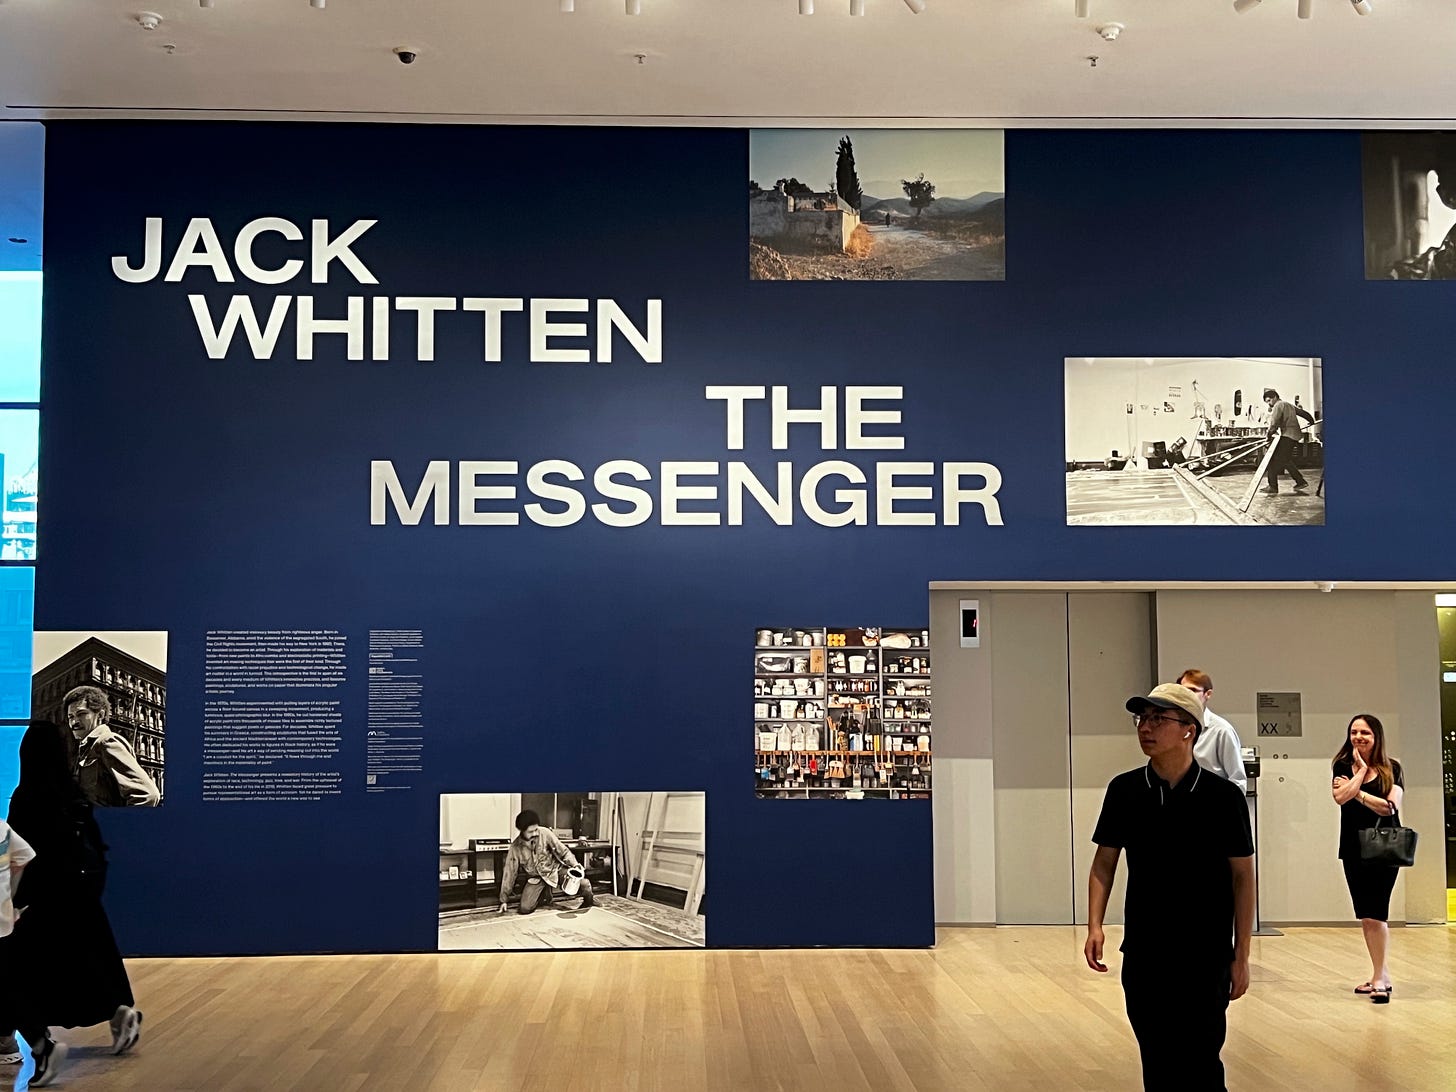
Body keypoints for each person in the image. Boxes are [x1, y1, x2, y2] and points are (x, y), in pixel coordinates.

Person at [1084, 683, 1255, 1091]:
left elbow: (1243, 877)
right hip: (1146, 952)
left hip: (1206, 954)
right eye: (1142, 719)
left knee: (1201, 1060)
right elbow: (1104, 863)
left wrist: (1241, 955)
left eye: (1158, 719)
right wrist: (1095, 925)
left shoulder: (1223, 798)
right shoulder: (1124, 790)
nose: (1146, 727)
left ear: (1189, 730)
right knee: (1157, 1060)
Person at [7, 721, 143, 1061]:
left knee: (21, 965)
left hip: (44, 893)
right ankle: (118, 1011)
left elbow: (19, 852)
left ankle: (23, 1037)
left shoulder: (27, 795)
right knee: (91, 955)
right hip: (81, 888)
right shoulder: (72, 792)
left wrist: (15, 899)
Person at [1330, 713, 1404, 1003]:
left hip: (1385, 847)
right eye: (1354, 732)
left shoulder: (1392, 769)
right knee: (1366, 914)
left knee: (1377, 912)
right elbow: (1338, 798)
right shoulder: (1341, 765)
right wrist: (1359, 774)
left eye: (1365, 733)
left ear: (1376, 738)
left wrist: (1355, 791)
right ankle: (1380, 974)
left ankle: (1379, 979)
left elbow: (1389, 807)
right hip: (1353, 847)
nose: (1359, 737)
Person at [0, 815, 68, 1086]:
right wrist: (10, 900)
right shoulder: (1, 827)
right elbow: (24, 857)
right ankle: (40, 1044)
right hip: (3, 921)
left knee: (6, 991)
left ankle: (42, 1045)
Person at [63, 685, 161, 807]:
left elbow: (147, 795)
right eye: (70, 717)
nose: (74, 722)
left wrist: (119, 825)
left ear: (100, 715)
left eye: (81, 714)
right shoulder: (86, 748)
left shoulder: (106, 742)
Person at [497, 810, 595, 914]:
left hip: (555, 871)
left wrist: (574, 864)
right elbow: (510, 873)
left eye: (536, 829)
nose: (535, 833)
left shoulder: (545, 833)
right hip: (536, 878)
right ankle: (544, 896)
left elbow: (563, 851)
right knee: (525, 908)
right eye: (531, 832)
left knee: (584, 884)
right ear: (522, 831)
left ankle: (590, 901)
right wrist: (504, 900)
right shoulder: (515, 847)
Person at [1177, 669, 1248, 795]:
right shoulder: (1174, 727)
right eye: (1183, 690)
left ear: (1207, 694)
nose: (1186, 695)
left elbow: (1237, 780)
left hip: (1213, 804)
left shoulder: (1221, 730)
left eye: (1192, 690)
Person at [1259, 388, 1316, 496]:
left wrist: (1268, 436)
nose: (1269, 404)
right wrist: (1311, 420)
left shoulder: (1278, 405)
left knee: (1272, 458)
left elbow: (1274, 423)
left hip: (1288, 435)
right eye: (1267, 402)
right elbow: (1302, 413)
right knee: (1285, 459)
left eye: (1269, 401)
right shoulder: (1288, 404)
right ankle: (1300, 481)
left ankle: (1273, 487)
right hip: (1294, 436)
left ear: (1275, 397)